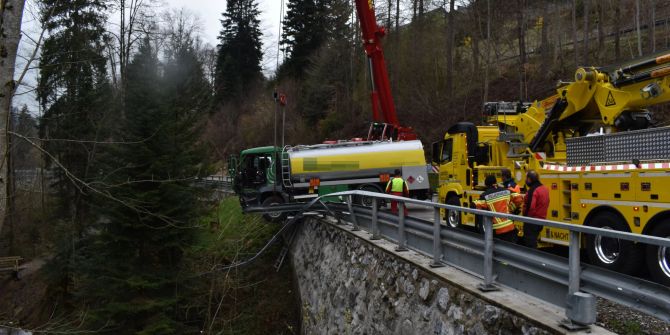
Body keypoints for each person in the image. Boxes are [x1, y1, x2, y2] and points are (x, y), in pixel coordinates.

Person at [474, 175, 523, 242]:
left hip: (497, 231)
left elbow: (474, 205)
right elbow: (519, 198)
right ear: (496, 182)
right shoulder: (506, 190)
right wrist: (511, 208)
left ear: (486, 185)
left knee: (498, 251)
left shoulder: (485, 195)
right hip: (510, 228)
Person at [522, 170, 550, 248]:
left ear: (529, 179)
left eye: (526, 178)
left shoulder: (532, 191)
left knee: (530, 243)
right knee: (533, 240)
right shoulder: (544, 188)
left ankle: (532, 259)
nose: (525, 180)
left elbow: (531, 207)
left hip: (532, 221)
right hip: (541, 221)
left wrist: (526, 218)